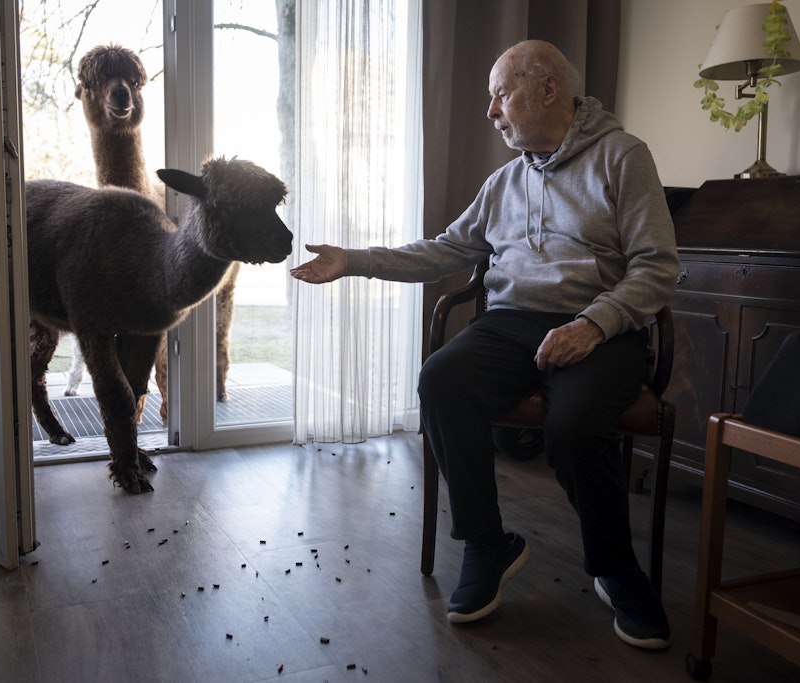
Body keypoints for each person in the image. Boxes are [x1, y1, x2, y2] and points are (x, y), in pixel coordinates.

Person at [290, 40, 678, 649]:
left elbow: (657, 267)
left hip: (599, 324)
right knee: (441, 379)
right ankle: (486, 542)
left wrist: (594, 324)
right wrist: (356, 260)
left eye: (500, 95)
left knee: (574, 426)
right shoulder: (503, 182)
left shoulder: (623, 158)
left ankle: (614, 566)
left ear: (548, 89)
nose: (491, 112)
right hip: (511, 322)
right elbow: (444, 251)